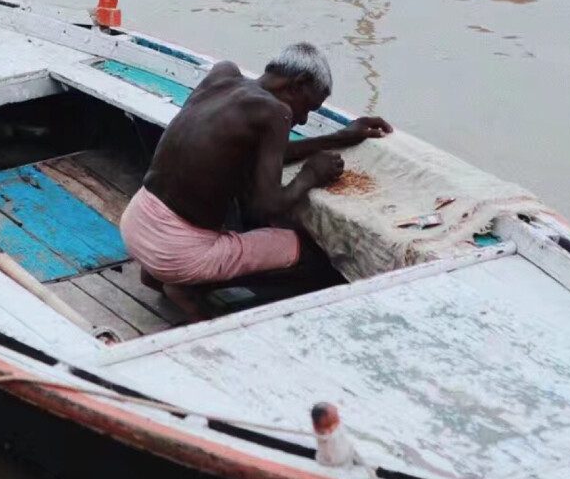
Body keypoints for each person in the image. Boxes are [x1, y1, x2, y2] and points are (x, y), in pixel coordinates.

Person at [120, 42, 392, 313]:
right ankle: (188, 286)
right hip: (179, 252)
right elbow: (269, 204)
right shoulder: (276, 112)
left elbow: (268, 152)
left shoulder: (222, 74)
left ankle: (154, 273)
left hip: (136, 223)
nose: (304, 120)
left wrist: (340, 137)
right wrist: (311, 174)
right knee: (315, 259)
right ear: (298, 85)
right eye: (308, 107)